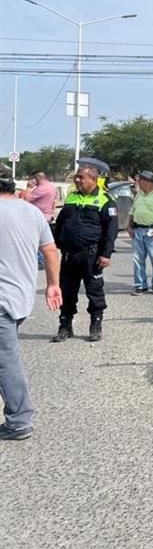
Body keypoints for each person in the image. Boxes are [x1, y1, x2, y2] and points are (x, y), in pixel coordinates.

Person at [0, 164, 62, 441]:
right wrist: (52, 284)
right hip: (20, 298)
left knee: (5, 361)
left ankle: (19, 419)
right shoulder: (31, 212)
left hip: (2, 299)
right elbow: (49, 249)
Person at [52, 164, 118, 342]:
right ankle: (65, 325)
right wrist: (57, 242)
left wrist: (106, 254)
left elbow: (111, 231)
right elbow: (61, 222)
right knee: (67, 290)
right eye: (76, 177)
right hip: (69, 254)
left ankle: (95, 324)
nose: (77, 180)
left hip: (92, 255)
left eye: (81, 177)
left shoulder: (105, 200)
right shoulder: (72, 197)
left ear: (93, 179)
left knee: (94, 291)